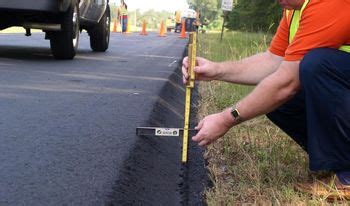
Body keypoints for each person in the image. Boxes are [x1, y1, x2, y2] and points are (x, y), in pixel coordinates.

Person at [182, 0, 350, 200]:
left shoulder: (329, 3)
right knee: (275, 100)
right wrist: (217, 70)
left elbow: (286, 83)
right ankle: (337, 161)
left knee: (315, 66)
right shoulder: (293, 11)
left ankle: (347, 176)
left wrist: (226, 119)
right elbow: (273, 61)